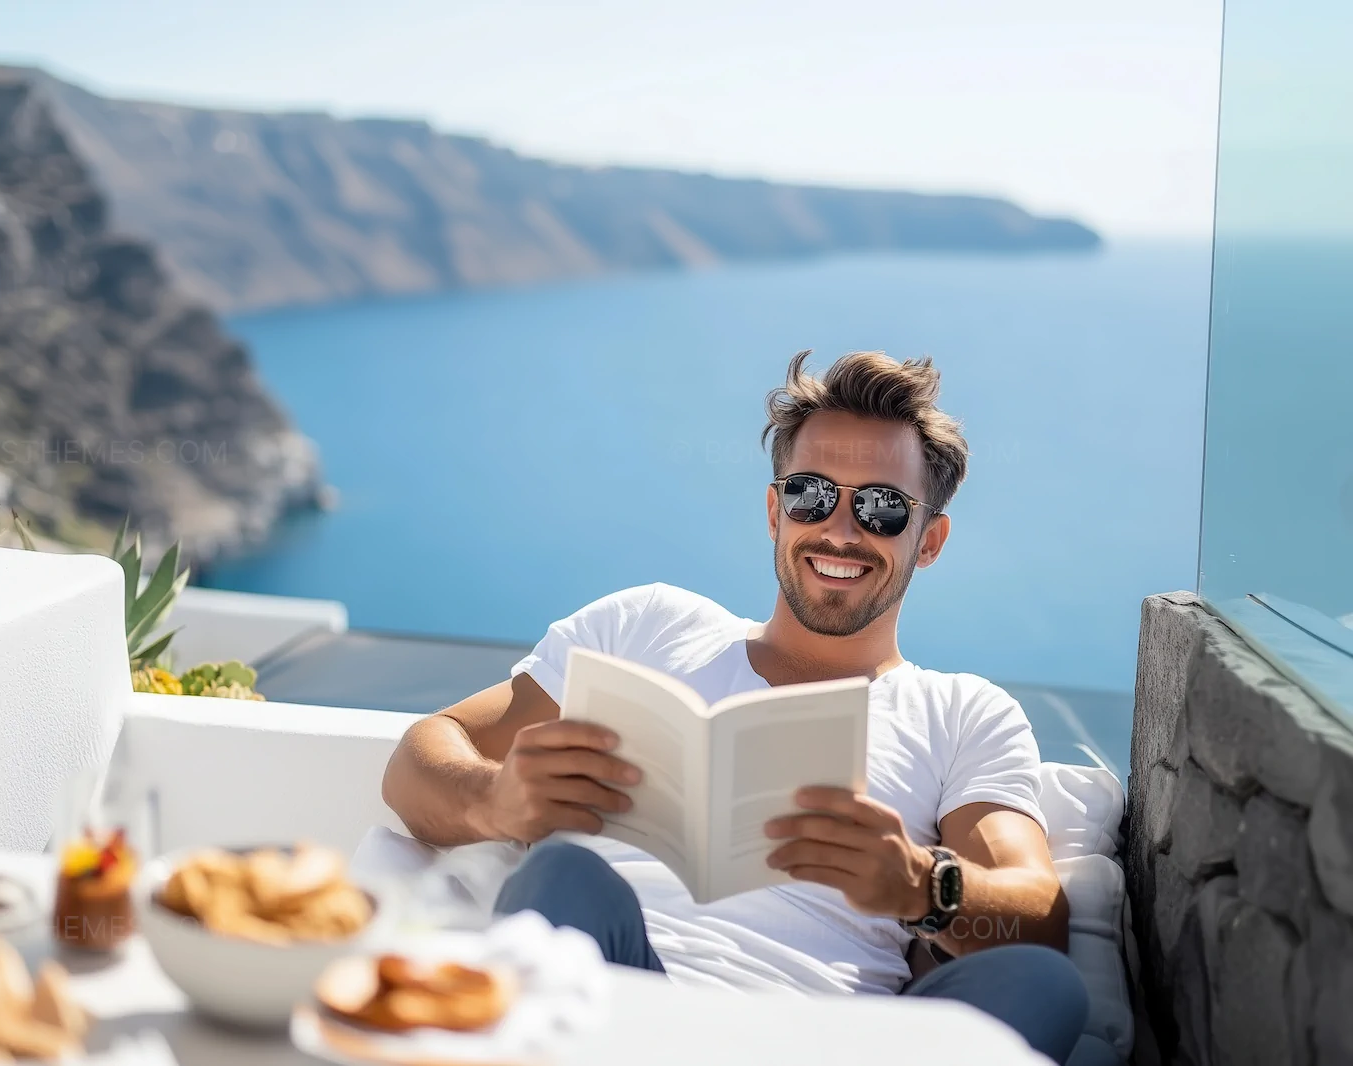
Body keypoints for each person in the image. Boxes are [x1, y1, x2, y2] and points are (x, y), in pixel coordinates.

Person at [382, 350, 1088, 1064]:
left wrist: (919, 886)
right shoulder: (644, 626)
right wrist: (496, 804)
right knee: (562, 877)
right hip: (620, 1008)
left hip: (834, 1042)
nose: (840, 532)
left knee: (1043, 982)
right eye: (812, 494)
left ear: (928, 539)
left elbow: (1039, 919)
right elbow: (423, 756)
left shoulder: (964, 712)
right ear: (775, 510)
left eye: (881, 507)